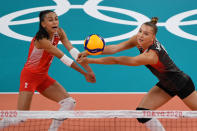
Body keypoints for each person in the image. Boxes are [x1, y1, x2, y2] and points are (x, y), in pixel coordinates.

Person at [77, 17, 197, 131]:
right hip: (166, 84)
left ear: (153, 37)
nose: (141, 35)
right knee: (142, 113)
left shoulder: (151, 56)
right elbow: (115, 48)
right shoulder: (138, 40)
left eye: (146, 34)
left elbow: (117, 60)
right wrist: (89, 52)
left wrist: (90, 61)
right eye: (140, 31)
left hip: (182, 84)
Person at [0, 10, 96, 130]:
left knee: (69, 103)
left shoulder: (59, 32)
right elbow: (63, 58)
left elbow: (72, 51)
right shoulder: (41, 40)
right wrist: (84, 74)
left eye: (56, 19)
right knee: (21, 117)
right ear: (43, 24)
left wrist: (89, 70)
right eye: (50, 20)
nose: (55, 22)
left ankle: (52, 129)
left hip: (43, 77)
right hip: (29, 77)